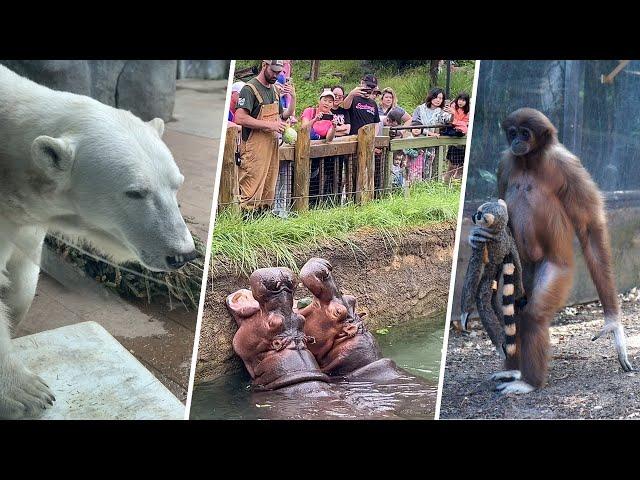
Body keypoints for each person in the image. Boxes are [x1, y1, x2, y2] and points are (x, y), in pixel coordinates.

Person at [234, 60, 296, 213]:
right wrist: (271, 125)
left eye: (279, 72)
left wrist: (293, 98)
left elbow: (284, 115)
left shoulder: (275, 90)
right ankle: (245, 223)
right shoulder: (250, 89)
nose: (276, 75)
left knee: (268, 188)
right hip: (253, 150)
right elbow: (240, 118)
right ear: (264, 65)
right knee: (250, 190)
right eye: (273, 71)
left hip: (271, 147)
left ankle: (263, 222)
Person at [441, 92, 471, 182]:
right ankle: (445, 183)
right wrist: (456, 119)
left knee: (462, 166)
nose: (460, 102)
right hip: (454, 137)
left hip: (462, 136)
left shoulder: (468, 111)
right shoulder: (452, 107)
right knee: (452, 166)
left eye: (463, 100)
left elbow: (466, 122)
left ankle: (456, 184)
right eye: (459, 100)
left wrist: (458, 121)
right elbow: (449, 120)